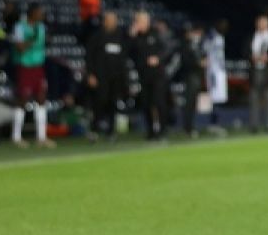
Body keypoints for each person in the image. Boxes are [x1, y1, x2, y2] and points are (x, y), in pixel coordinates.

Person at [11, 3, 53, 148]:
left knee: (41, 98)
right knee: (22, 99)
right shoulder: (20, 27)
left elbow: (43, 44)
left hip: (38, 67)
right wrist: (32, 39)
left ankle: (41, 137)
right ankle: (16, 137)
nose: (42, 15)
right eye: (39, 12)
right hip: (25, 66)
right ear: (32, 13)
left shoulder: (41, 27)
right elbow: (20, 47)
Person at [85, 11, 130, 140]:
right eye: (110, 20)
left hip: (116, 77)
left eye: (114, 20)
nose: (112, 23)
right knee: (99, 102)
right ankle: (94, 128)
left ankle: (111, 131)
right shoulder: (96, 37)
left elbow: (124, 58)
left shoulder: (120, 37)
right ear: (104, 22)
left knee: (113, 104)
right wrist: (90, 74)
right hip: (100, 77)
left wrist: (124, 77)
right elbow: (89, 57)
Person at [129, 11, 169, 140]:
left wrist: (158, 58)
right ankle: (151, 130)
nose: (140, 23)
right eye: (138, 20)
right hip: (143, 75)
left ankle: (162, 130)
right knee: (146, 103)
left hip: (158, 75)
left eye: (142, 20)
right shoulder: (134, 37)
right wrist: (132, 36)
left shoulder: (155, 33)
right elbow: (129, 52)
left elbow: (167, 49)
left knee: (159, 102)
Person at [176, 23, 206, 138]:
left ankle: (190, 126)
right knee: (189, 103)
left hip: (196, 77)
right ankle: (187, 128)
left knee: (192, 103)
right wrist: (198, 63)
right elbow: (186, 62)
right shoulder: (185, 45)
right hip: (189, 77)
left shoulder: (197, 45)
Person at [202, 19, 229, 135]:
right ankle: (214, 124)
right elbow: (204, 50)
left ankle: (216, 123)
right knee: (215, 98)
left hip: (219, 71)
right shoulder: (211, 37)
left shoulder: (218, 37)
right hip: (214, 71)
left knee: (220, 98)